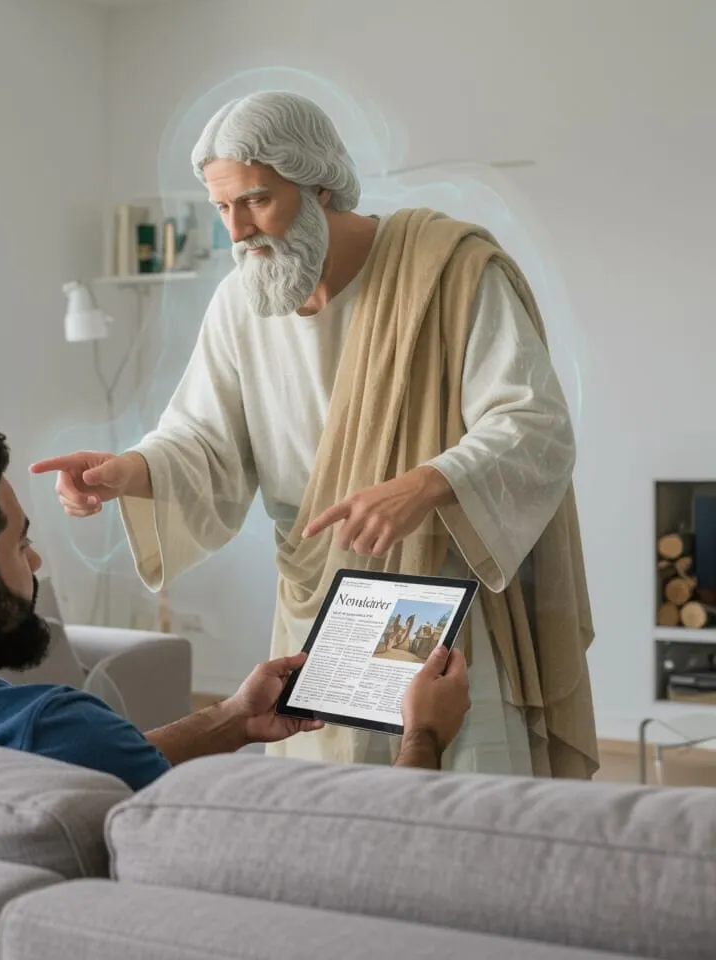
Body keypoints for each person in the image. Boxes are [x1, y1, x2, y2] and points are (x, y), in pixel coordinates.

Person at [32, 90, 598, 779]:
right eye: (222, 208)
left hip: (436, 594)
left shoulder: (446, 272)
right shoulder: (242, 302)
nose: (238, 232)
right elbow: (205, 437)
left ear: (321, 184)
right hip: (317, 598)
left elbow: (532, 423)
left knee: (459, 813)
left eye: (258, 201)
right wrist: (134, 470)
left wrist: (423, 485)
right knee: (328, 809)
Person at [0, 412, 470, 791]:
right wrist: (424, 733)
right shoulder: (47, 726)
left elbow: (105, 759)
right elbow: (382, 846)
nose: (37, 561)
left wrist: (232, 718)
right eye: (21, 546)